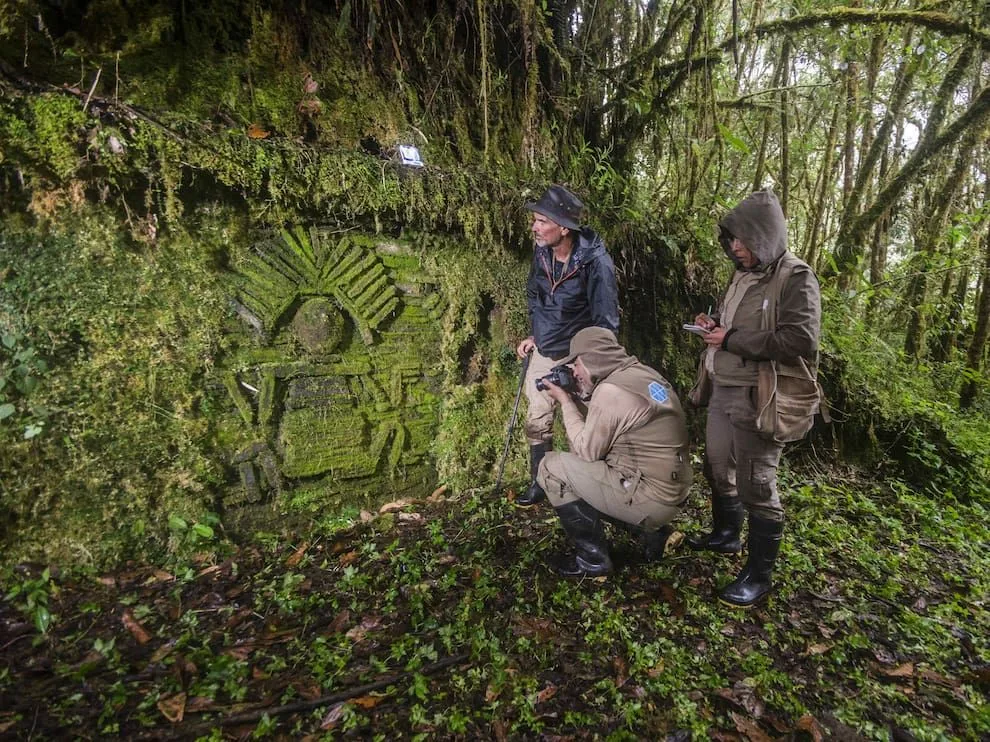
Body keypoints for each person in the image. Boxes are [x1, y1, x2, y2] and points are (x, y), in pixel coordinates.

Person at [688, 189, 822, 607]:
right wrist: (713, 325)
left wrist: (732, 338)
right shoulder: (741, 274)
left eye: (742, 240)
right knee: (716, 464)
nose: (734, 247)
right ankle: (726, 535)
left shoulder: (795, 277)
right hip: (722, 388)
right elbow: (732, 327)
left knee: (756, 482)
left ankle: (758, 575)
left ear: (765, 236)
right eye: (730, 240)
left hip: (760, 395)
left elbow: (800, 339)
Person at [536, 327, 693, 577]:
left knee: (551, 467)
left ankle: (592, 561)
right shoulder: (642, 374)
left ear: (590, 359)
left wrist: (566, 402)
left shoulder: (611, 392)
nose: (574, 371)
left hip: (651, 498)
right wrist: (581, 396)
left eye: (576, 363)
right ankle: (653, 535)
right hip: (672, 490)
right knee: (590, 475)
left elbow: (586, 452)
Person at [515, 185, 620, 507]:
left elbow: (606, 321)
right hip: (545, 350)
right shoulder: (542, 252)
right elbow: (535, 295)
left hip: (579, 355)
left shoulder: (596, 264)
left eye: (541, 221)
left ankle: (592, 489)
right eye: (534, 220)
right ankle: (539, 482)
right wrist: (537, 333)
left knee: (587, 426)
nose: (534, 227)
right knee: (537, 417)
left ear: (563, 227)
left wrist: (590, 364)